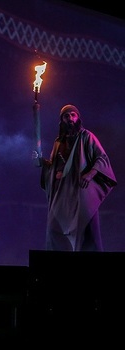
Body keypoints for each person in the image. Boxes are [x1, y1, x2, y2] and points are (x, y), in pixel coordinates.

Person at [35, 104, 116, 251]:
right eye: (66, 116)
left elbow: (102, 158)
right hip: (62, 193)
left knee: (87, 229)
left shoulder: (87, 136)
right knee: (55, 228)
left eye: (73, 115)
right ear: (62, 120)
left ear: (78, 118)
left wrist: (90, 174)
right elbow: (54, 166)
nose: (70, 118)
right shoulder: (58, 142)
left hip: (80, 190)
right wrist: (43, 163)